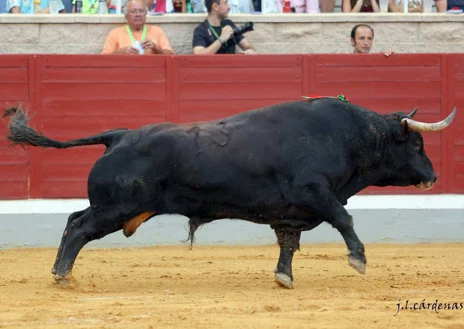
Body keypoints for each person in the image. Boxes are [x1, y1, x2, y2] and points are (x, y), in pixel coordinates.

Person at [101, 0, 174, 55]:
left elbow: (172, 56)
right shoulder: (115, 34)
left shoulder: (157, 31)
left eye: (141, 11)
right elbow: (102, 59)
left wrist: (156, 48)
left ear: (145, 14)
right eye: (133, 11)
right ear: (126, 16)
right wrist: (120, 52)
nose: (138, 14)